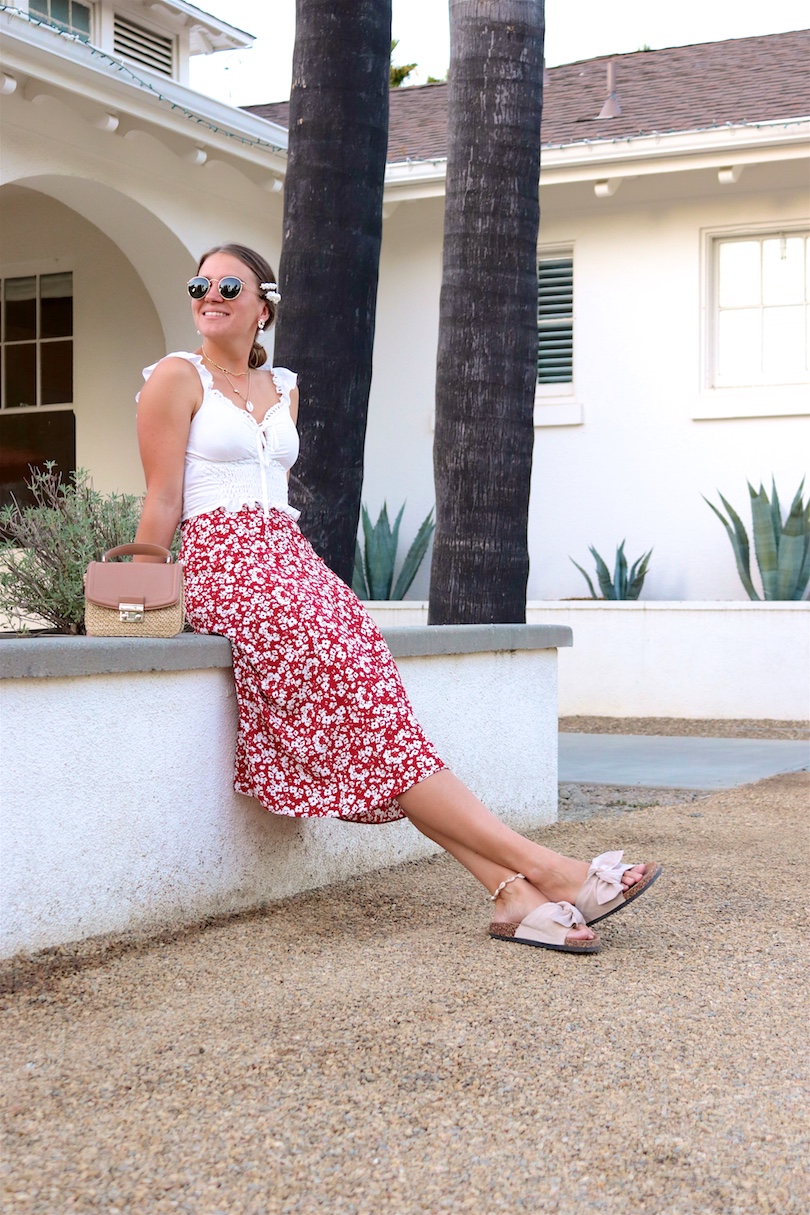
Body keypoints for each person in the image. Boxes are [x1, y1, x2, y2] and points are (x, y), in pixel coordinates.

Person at [135, 242, 661, 956]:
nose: (210, 293)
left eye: (230, 284)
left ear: (264, 307)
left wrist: (297, 574)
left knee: (381, 713)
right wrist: (140, 582)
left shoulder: (282, 387)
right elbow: (163, 494)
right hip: (224, 566)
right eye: (200, 283)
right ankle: (549, 868)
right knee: (378, 725)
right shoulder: (175, 376)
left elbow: (277, 493)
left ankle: (512, 895)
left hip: (292, 563)